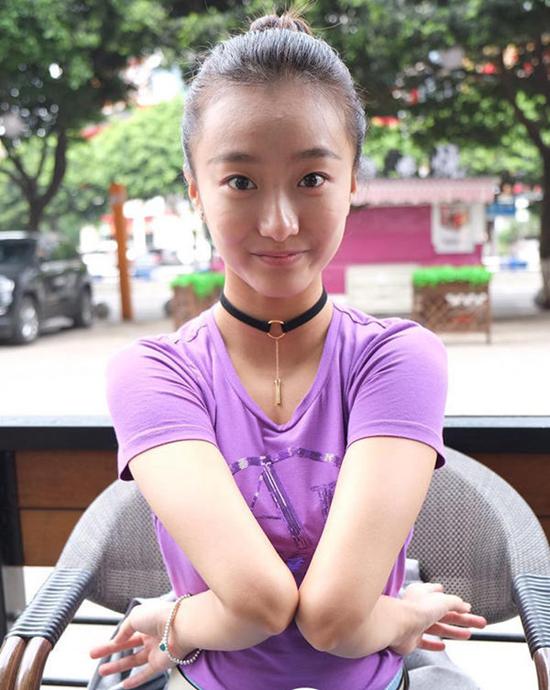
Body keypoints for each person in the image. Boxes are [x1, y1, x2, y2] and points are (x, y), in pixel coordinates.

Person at [89, 7, 486, 690]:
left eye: (312, 179)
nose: (278, 224)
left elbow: (332, 619)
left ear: (353, 179)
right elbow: (260, 604)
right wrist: (402, 615)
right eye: (241, 182)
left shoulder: (398, 359)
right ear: (195, 189)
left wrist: (174, 619)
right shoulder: (154, 374)